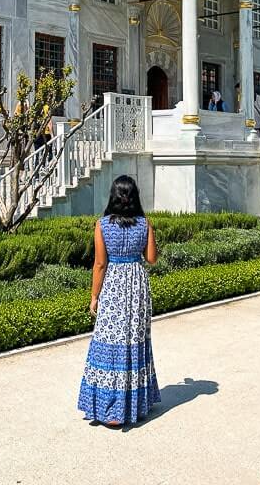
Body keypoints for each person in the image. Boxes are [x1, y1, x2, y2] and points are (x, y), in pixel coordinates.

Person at [78, 175, 160, 427]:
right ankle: (133, 405)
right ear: (134, 197)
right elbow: (152, 258)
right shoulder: (144, 224)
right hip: (136, 285)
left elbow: (100, 264)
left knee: (108, 341)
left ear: (113, 197)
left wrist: (94, 296)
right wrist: (149, 232)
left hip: (113, 285)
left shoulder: (102, 225)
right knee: (134, 340)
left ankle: (110, 408)